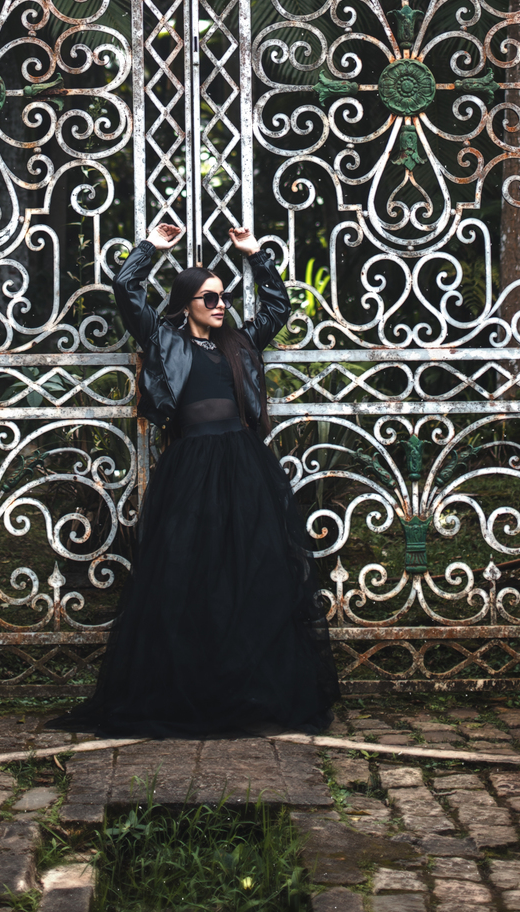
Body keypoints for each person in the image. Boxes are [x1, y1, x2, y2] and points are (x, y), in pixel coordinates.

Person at [55, 220, 340, 738]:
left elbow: (277, 308)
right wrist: (150, 249)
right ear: (186, 301)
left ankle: (248, 687)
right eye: (208, 296)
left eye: (223, 296)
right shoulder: (163, 338)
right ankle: (190, 686)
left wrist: (254, 254)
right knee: (188, 571)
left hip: (241, 462)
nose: (219, 303)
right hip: (190, 464)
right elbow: (126, 288)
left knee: (248, 568)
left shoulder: (239, 341)